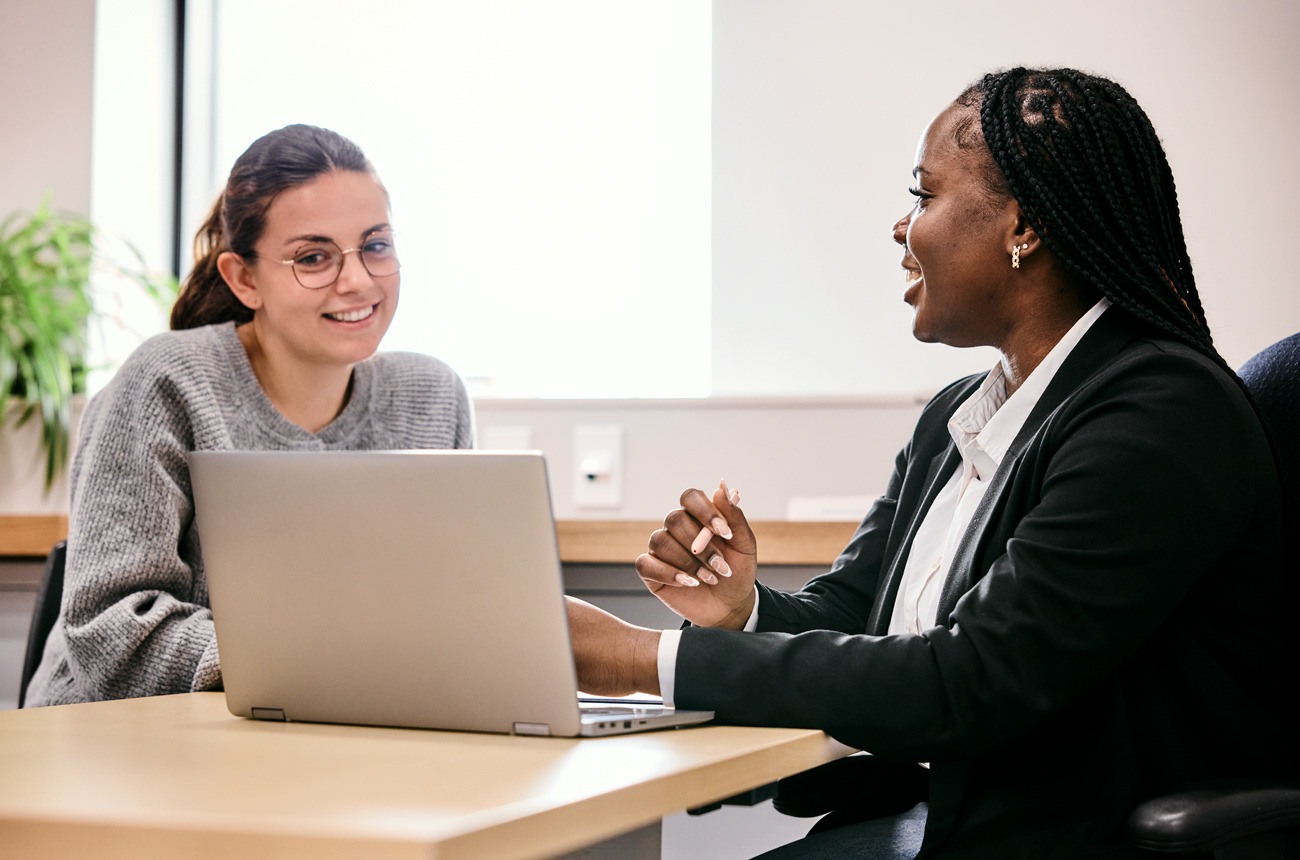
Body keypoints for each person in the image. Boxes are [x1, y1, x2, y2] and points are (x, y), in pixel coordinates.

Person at [567, 67, 1295, 858]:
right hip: (941, 824)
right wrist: (744, 611)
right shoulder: (955, 416)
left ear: (1024, 226)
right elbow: (854, 620)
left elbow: (966, 678)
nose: (900, 228)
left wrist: (641, 658)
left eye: (923, 196)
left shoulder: (1161, 413)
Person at [26, 124, 474, 707]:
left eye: (376, 245)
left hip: (320, 731)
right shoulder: (167, 382)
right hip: (116, 742)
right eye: (313, 257)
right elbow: (111, 631)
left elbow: (450, 610)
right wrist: (319, 663)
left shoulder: (432, 396)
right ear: (244, 278)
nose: (358, 279)